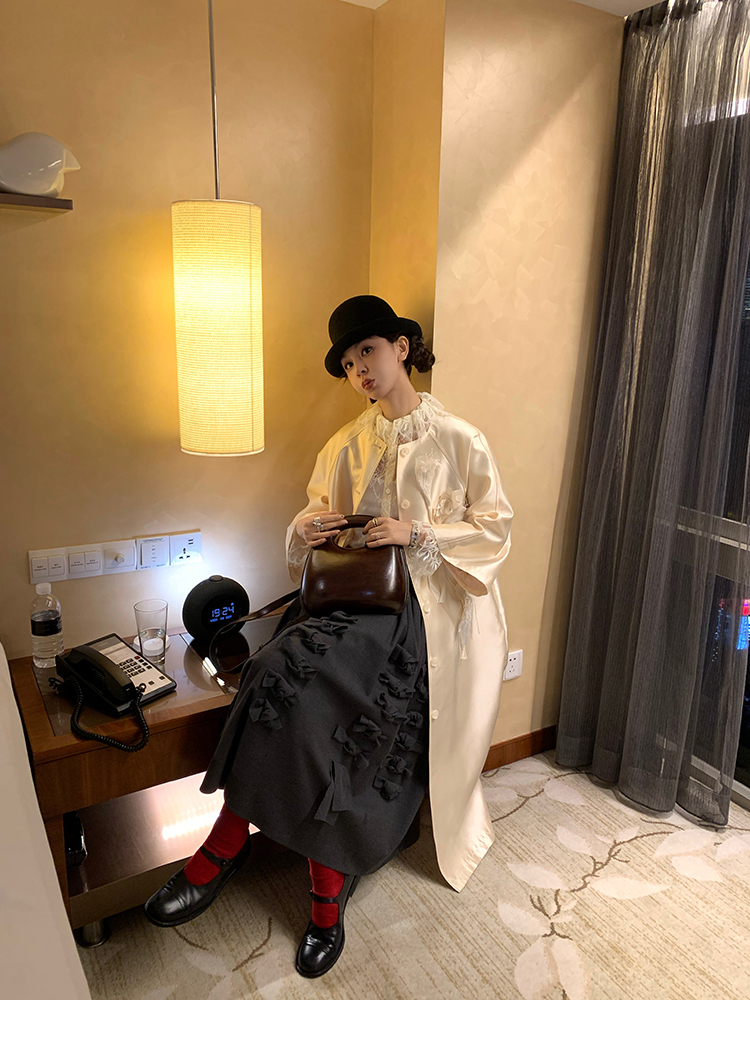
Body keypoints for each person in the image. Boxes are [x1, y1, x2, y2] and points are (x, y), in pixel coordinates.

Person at [144, 295, 513, 979]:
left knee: (319, 704)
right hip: (345, 602)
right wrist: (307, 527)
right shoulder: (346, 442)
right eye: (347, 363)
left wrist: (417, 532)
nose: (358, 370)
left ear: (401, 347)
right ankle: (254, 855)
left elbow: (495, 531)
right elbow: (312, 519)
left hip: (417, 614)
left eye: (366, 351)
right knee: (270, 673)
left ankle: (261, 867)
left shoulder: (460, 438)